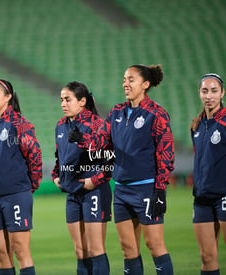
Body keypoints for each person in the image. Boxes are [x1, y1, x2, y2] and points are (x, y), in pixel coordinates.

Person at [69, 64, 175, 274]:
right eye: (125, 79)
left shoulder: (157, 114)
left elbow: (166, 155)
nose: (125, 83)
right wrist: (83, 140)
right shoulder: (116, 111)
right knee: (128, 250)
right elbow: (100, 141)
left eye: (131, 79)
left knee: (154, 246)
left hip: (146, 189)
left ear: (145, 84)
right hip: (122, 191)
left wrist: (160, 189)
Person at [0, 78, 42, 275]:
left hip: (15, 194)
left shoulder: (20, 123)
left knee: (20, 250)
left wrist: (29, 185)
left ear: (8, 97)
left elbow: (34, 153)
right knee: (1, 253)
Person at [52, 81, 113, 275]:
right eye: (62, 99)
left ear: (82, 101)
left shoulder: (97, 124)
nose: (63, 103)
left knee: (96, 250)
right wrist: (56, 175)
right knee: (80, 251)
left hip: (93, 191)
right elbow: (59, 156)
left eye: (68, 99)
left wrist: (94, 181)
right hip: (72, 193)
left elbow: (110, 159)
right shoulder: (60, 125)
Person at [190, 73, 226, 275]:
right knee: (207, 257)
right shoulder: (196, 125)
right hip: (202, 199)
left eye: (214, 91)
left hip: (224, 196)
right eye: (205, 91)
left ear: (222, 93)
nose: (209, 96)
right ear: (199, 94)